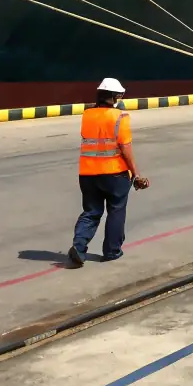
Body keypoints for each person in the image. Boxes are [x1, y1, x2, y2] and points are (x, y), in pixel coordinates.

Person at [67, 78, 150, 267]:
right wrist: (136, 174)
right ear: (113, 97)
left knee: (91, 211)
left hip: (87, 174)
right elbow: (125, 147)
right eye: (119, 96)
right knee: (116, 211)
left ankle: (79, 247)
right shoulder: (120, 117)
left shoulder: (87, 115)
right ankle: (112, 251)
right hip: (115, 174)